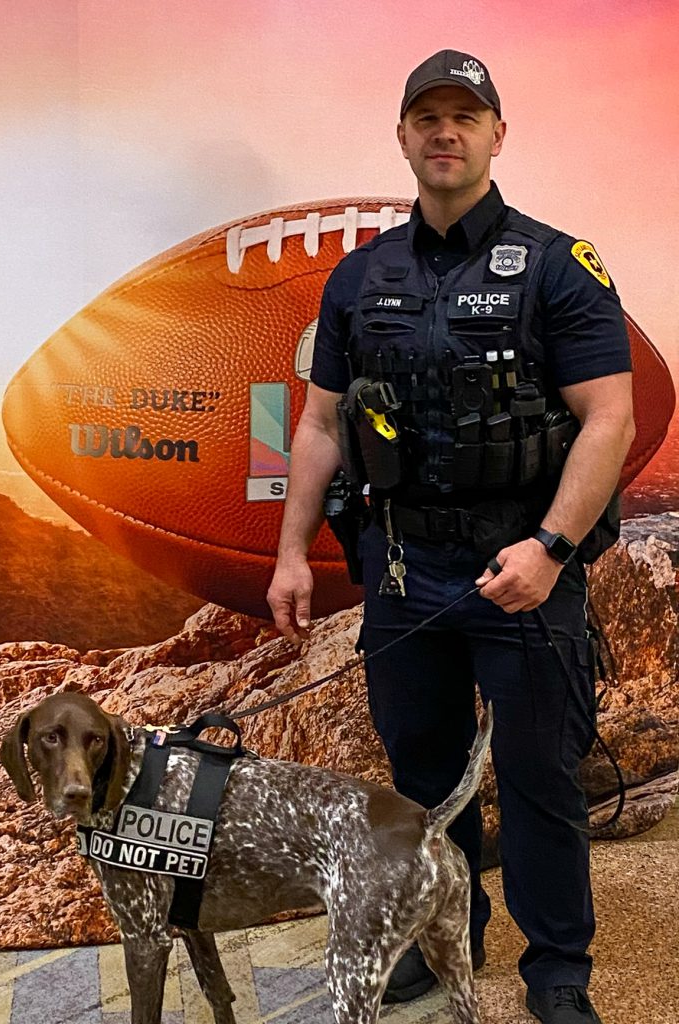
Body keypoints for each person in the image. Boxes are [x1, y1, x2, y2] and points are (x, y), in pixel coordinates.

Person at [267, 48, 634, 1024]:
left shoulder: (558, 264)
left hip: (523, 564)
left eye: (465, 116)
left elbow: (610, 417)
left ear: (496, 135)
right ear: (402, 136)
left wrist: (551, 548)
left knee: (540, 774)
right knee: (425, 777)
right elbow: (317, 423)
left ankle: (558, 973)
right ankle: (444, 940)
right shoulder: (360, 277)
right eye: (427, 116)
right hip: (403, 571)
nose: (445, 131)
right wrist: (295, 551)